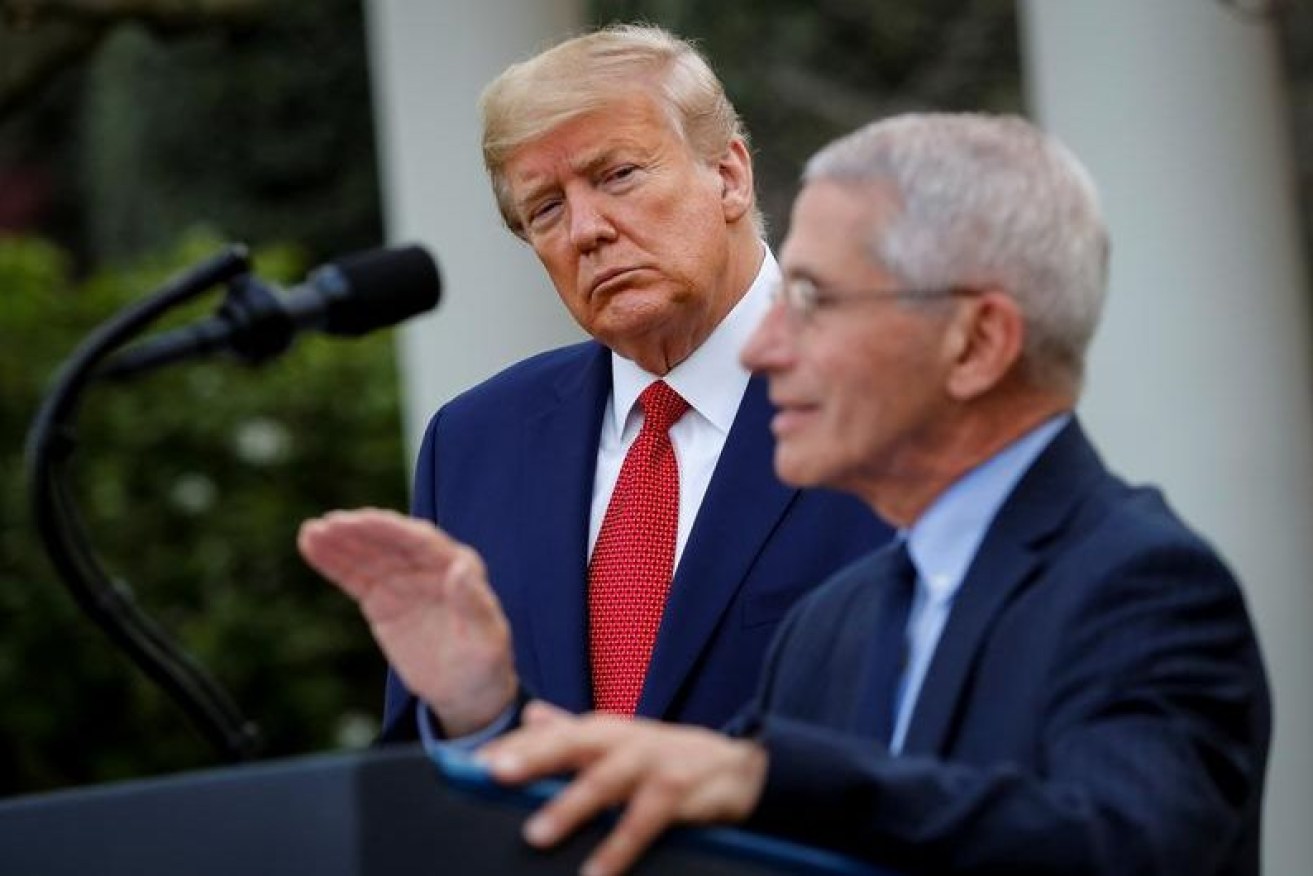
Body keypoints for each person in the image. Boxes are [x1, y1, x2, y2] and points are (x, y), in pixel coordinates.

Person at [467, 113, 1273, 876]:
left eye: (812, 300)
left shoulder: (1142, 586)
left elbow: (1128, 850)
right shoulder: (831, 622)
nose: (766, 347)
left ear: (977, 342)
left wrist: (769, 779)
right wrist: (477, 706)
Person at [298, 25, 887, 742]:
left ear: (729, 176)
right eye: (545, 208)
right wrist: (472, 714)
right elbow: (423, 775)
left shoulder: (891, 391)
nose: (585, 229)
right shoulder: (476, 444)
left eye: (617, 176)